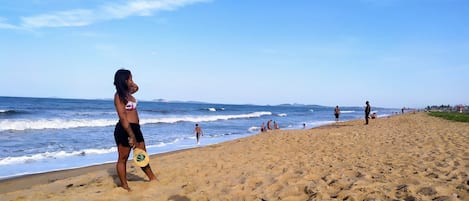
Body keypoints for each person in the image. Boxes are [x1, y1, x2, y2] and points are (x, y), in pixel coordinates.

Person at [113, 69, 156, 191]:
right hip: (125, 129)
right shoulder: (119, 96)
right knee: (123, 158)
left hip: (136, 128)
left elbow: (137, 88)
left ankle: (152, 177)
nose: (132, 81)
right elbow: (123, 118)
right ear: (124, 80)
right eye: (130, 78)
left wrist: (130, 82)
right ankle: (124, 185)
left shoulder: (128, 93)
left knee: (142, 154)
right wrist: (131, 136)